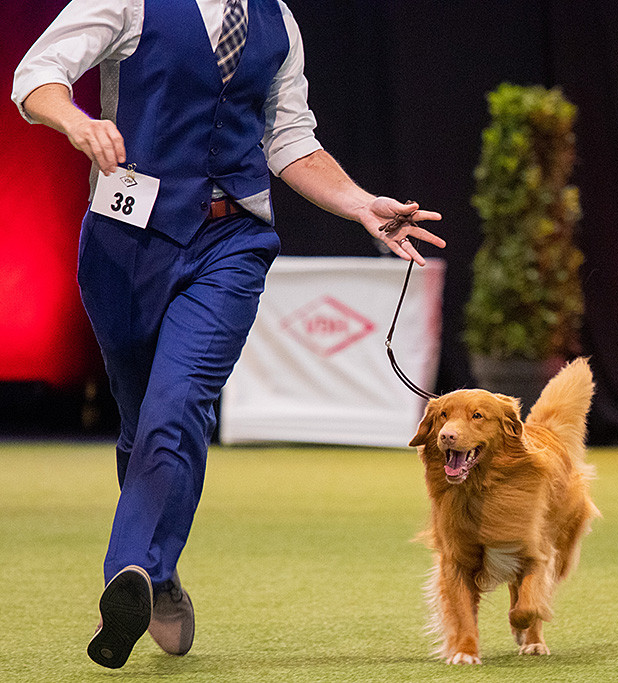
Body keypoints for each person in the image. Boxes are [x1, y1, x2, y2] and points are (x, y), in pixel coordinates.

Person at [12, 0, 445, 669]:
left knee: (179, 401)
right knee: (141, 420)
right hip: (126, 242)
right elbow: (37, 74)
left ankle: (128, 566)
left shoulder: (278, 22)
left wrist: (361, 203)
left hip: (232, 242)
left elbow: (290, 140)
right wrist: (77, 121)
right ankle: (158, 576)